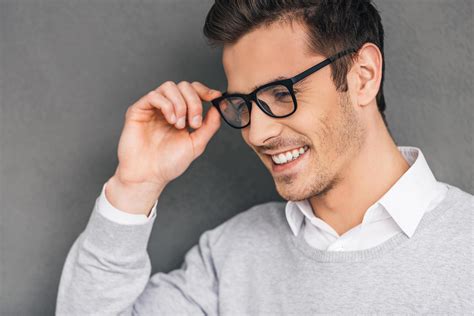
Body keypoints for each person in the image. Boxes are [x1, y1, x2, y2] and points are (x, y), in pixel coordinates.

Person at [56, 0, 473, 314]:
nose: (256, 132)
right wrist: (135, 187)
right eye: (243, 103)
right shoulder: (232, 255)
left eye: (280, 93)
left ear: (362, 76)